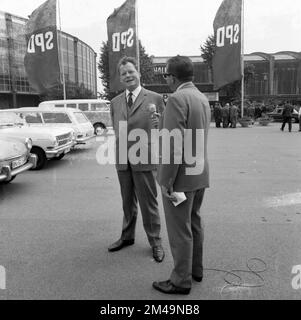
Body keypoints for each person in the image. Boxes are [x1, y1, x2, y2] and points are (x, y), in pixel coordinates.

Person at [153, 56, 211, 295]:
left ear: (173, 77)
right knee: (194, 222)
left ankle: (180, 281)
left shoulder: (177, 98)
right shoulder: (201, 97)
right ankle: (195, 270)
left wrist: (165, 180)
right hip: (199, 173)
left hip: (180, 178)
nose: (166, 79)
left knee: (179, 231)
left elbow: (173, 145)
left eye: (166, 75)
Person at [108, 56, 165, 263]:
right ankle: (127, 236)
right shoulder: (115, 102)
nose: (127, 76)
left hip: (145, 157)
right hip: (123, 159)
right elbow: (117, 129)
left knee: (148, 203)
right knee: (127, 202)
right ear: (120, 78)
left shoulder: (156, 98)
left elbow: (165, 129)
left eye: (131, 71)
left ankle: (155, 241)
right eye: (123, 73)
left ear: (138, 73)